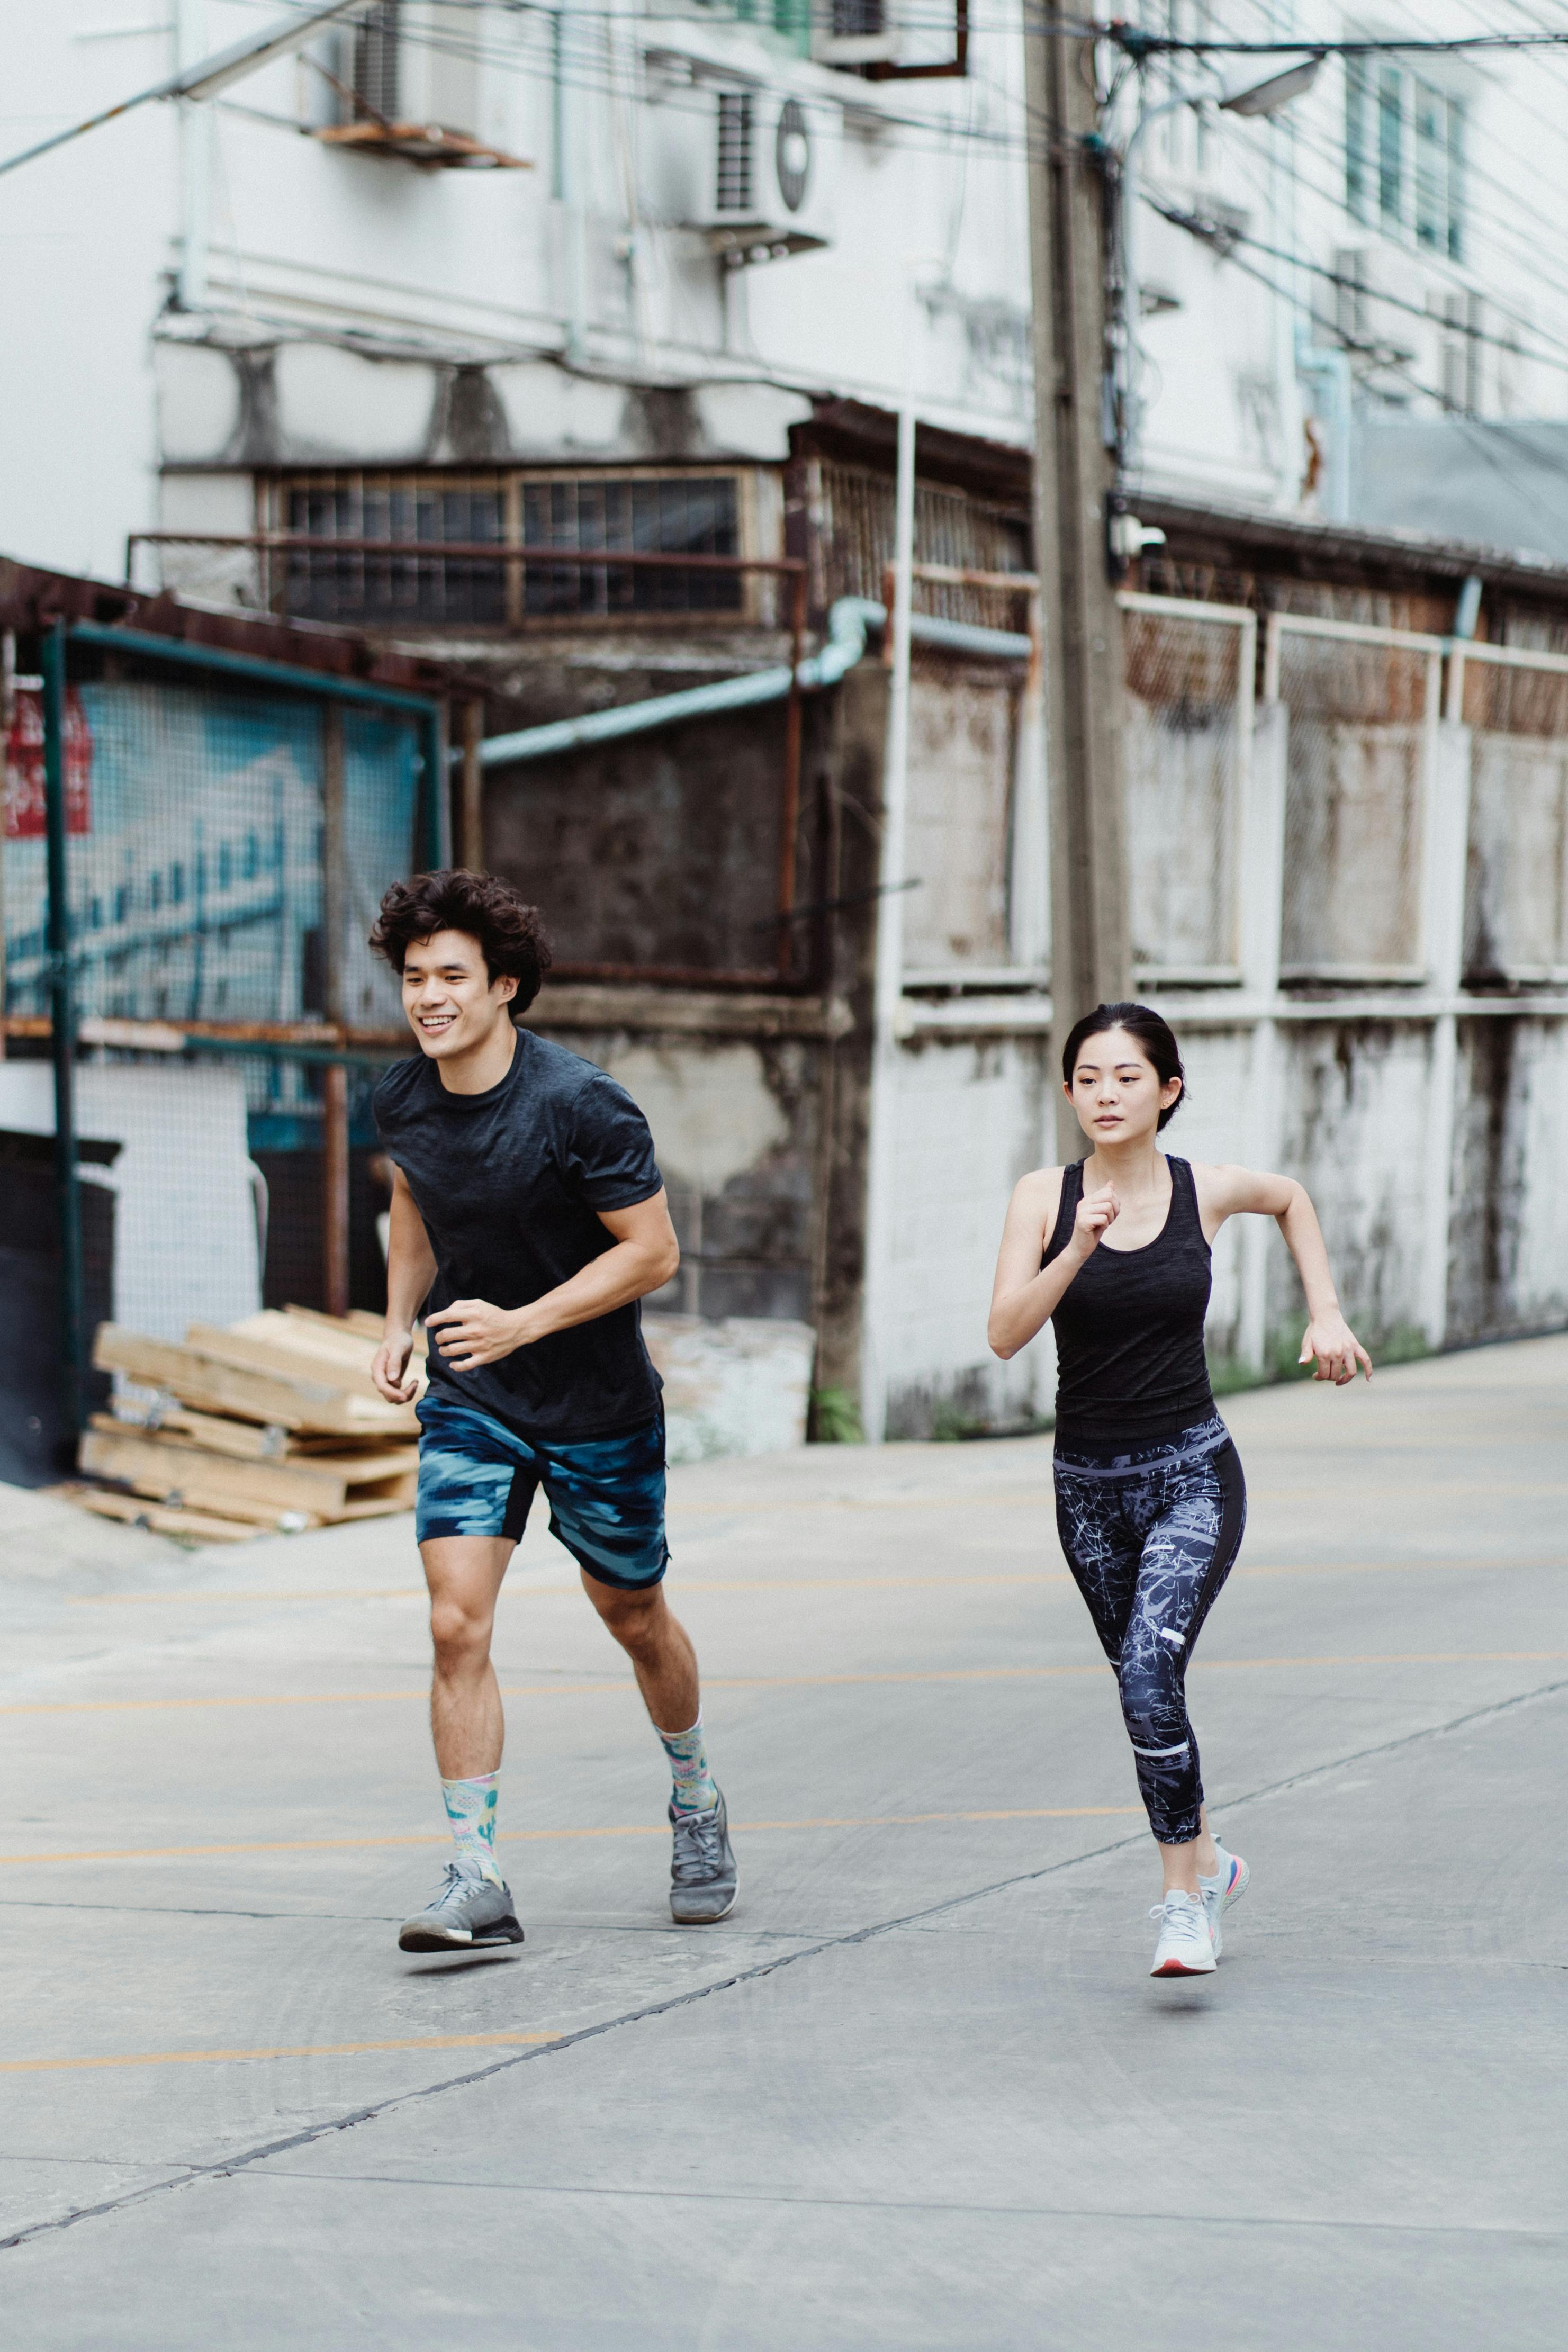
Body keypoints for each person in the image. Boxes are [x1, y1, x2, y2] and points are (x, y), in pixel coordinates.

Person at [367, 869, 737, 1953]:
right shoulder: (402, 1096)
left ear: (503, 987)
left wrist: (525, 1321)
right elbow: (411, 1195)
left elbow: (654, 1250)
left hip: (594, 1404)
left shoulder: (579, 1103)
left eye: (450, 977)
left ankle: (695, 1798)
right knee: (452, 1620)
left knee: (632, 1614)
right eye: (413, 978)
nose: (428, 997)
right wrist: (399, 1320)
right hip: (473, 1395)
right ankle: (475, 1872)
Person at [987, 1002, 1371, 1980]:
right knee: (1140, 1691)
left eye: (1125, 1077)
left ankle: (1180, 1900)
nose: (1105, 1094)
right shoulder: (1043, 1195)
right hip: (1085, 1490)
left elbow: (1290, 1197)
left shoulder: (1203, 1189)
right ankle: (1210, 1858)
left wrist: (1324, 1313)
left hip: (1191, 1474)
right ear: (1068, 1091)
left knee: (1151, 1679)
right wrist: (1072, 1246)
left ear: (1168, 1090)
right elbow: (1002, 1333)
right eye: (1087, 1078)